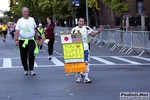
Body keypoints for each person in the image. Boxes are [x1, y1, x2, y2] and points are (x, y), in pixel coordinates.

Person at [71, 17, 103, 83]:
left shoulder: (86, 28)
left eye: (82, 21)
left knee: (86, 62)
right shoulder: (74, 29)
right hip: (77, 49)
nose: (81, 23)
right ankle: (78, 77)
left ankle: (86, 77)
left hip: (85, 48)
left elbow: (93, 33)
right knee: (78, 62)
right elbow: (71, 38)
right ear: (78, 22)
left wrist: (98, 31)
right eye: (80, 21)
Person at [15, 7, 38, 76]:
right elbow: (17, 31)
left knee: (31, 53)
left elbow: (35, 29)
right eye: (24, 12)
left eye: (27, 11)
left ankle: (31, 69)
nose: (26, 13)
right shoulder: (20, 21)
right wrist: (16, 39)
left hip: (31, 40)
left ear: (28, 12)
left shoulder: (32, 19)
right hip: (22, 40)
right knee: (23, 55)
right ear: (22, 13)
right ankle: (25, 69)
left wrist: (36, 38)